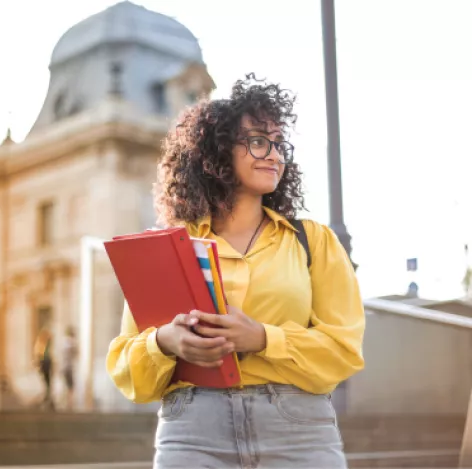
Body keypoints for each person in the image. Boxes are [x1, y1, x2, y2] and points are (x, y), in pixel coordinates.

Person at [106, 74, 365, 468]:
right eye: (259, 141)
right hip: (192, 431)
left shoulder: (313, 241)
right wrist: (164, 342)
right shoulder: (169, 248)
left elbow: (344, 351)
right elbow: (128, 367)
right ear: (217, 150)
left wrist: (263, 338)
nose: (275, 154)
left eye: (279, 144)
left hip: (298, 431)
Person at [33, 328, 54, 409]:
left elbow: (38, 354)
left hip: (46, 363)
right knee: (46, 381)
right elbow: (39, 355)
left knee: (47, 381)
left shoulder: (43, 344)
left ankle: (47, 395)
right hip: (45, 363)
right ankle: (46, 395)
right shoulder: (42, 344)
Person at [60, 325, 77, 410]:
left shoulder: (64, 342)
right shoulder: (71, 343)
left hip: (64, 367)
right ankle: (69, 403)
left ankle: (67, 402)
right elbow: (75, 352)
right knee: (70, 386)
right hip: (69, 367)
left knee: (67, 385)